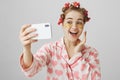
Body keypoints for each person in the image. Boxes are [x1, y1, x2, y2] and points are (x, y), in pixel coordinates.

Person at [19, 1, 101, 80]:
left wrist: (77, 55)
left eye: (79, 22)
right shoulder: (50, 49)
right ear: (62, 24)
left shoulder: (91, 53)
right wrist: (26, 48)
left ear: (83, 25)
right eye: (69, 22)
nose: (74, 27)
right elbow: (30, 71)